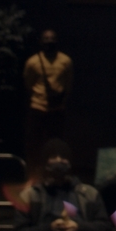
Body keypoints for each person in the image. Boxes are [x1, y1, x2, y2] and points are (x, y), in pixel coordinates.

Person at [12, 139, 110, 231]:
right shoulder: (31, 195)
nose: (59, 160)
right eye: (53, 157)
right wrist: (49, 228)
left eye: (63, 157)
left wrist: (78, 227)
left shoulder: (89, 193)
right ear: (45, 162)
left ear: (70, 162)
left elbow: (104, 227)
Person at [21, 30, 73, 166]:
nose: (49, 41)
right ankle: (33, 169)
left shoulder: (65, 61)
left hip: (57, 108)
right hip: (38, 107)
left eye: (52, 38)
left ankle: (54, 169)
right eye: (46, 38)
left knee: (55, 142)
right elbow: (28, 83)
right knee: (34, 142)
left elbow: (68, 83)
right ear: (41, 41)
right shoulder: (33, 62)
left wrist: (61, 98)